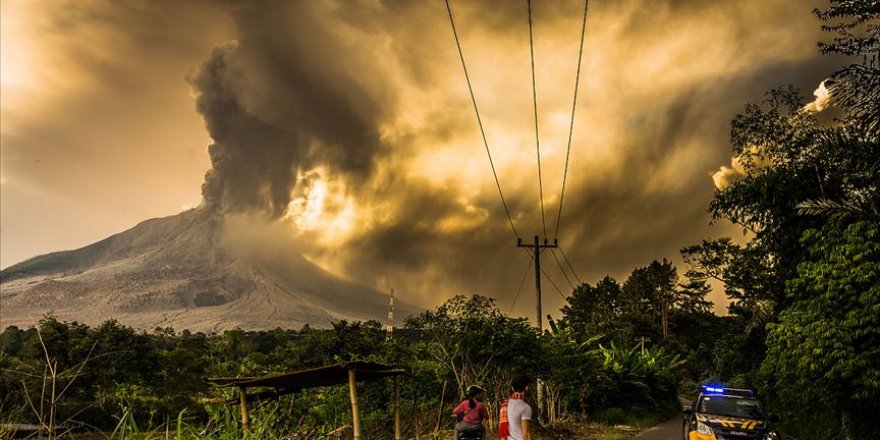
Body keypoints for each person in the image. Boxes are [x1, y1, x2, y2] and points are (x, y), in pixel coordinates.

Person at [498, 374, 531, 440]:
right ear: (527, 388)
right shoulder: (525, 407)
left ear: (512, 388)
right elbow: (526, 434)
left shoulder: (504, 405)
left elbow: (503, 430)